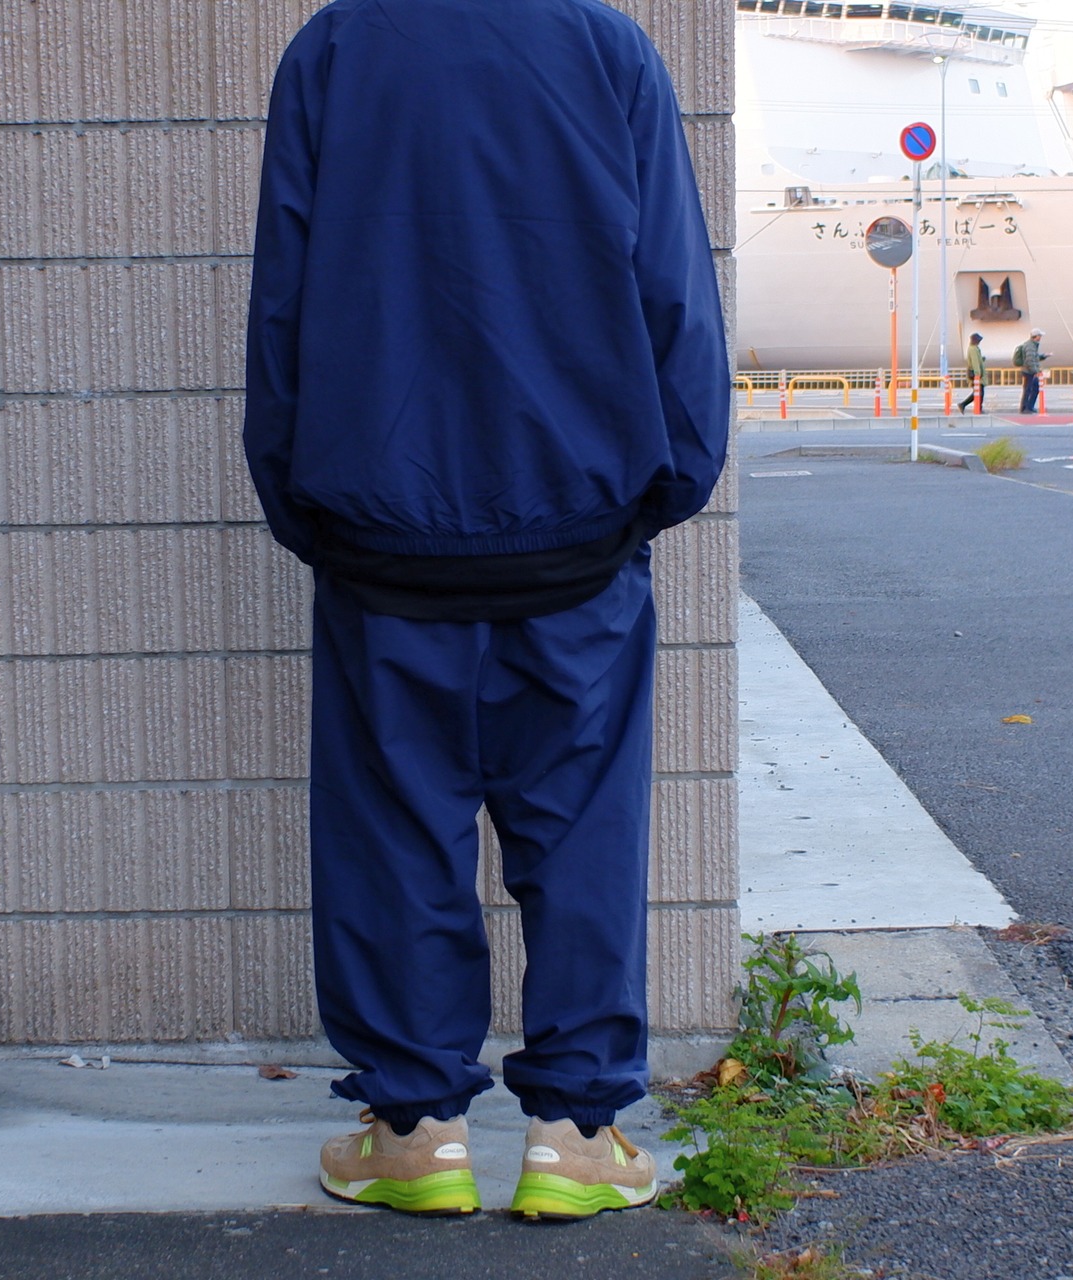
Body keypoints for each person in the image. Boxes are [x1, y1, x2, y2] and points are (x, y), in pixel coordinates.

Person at [244, 0, 729, 1220]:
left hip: (382, 532)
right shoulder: (605, 47)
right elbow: (671, 287)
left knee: (392, 835)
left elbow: (285, 298)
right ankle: (574, 1134)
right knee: (583, 832)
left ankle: (414, 1133)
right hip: (575, 532)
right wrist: (663, 484)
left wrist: (304, 500)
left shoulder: (334, 49)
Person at [1018, 327, 1048, 413]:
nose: (1040, 337)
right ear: (1036, 336)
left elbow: (1034, 357)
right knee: (1029, 389)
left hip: (1030, 371)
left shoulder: (1032, 345)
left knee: (1033, 388)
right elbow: (1030, 360)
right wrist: (1036, 371)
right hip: (1029, 372)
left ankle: (1029, 407)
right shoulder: (1030, 346)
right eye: (1040, 335)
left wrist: (1043, 356)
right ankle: (1025, 408)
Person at [957, 332, 986, 414]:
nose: (979, 342)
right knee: (978, 392)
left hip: (976, 375)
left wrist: (982, 359)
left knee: (979, 392)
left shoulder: (974, 348)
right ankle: (967, 405)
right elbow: (975, 362)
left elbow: (977, 360)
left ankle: (975, 407)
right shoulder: (973, 349)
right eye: (978, 340)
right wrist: (977, 374)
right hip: (975, 375)